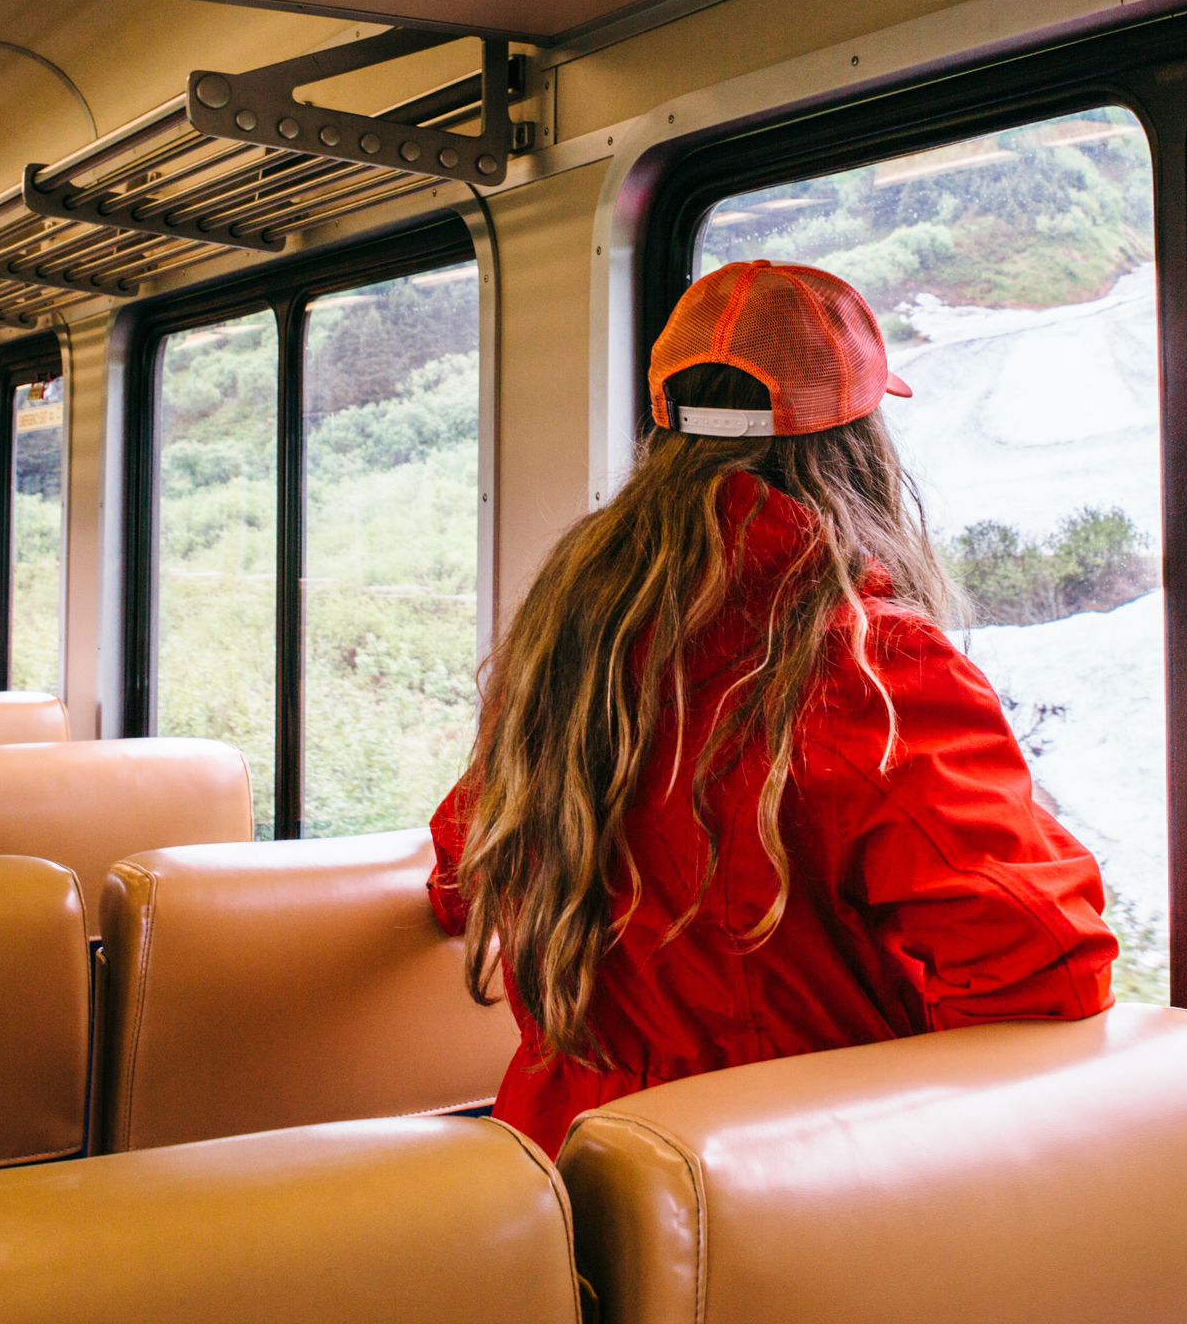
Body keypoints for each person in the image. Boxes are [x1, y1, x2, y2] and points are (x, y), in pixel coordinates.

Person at [429, 258, 1117, 1151]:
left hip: (560, 1163)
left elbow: (462, 869)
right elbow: (1043, 966)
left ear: (666, 428)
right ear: (856, 444)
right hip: (780, 1174)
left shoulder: (570, 633)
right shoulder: (870, 666)